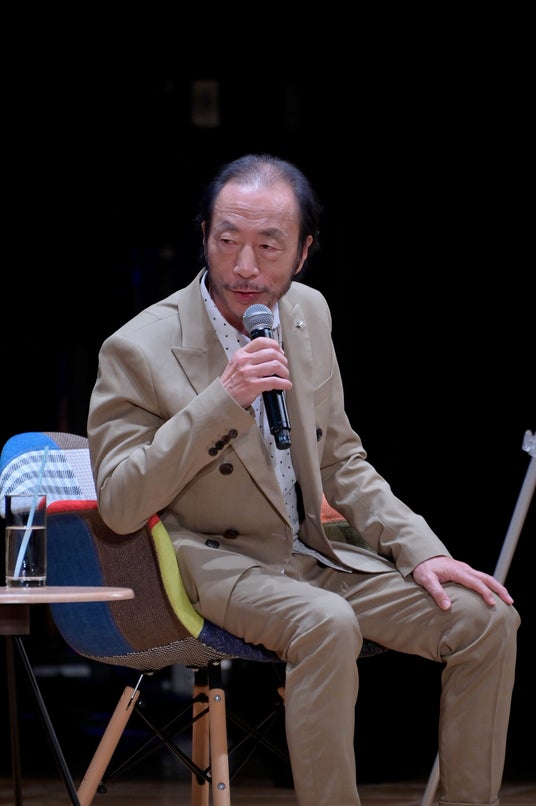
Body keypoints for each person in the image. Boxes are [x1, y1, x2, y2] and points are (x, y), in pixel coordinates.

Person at [87, 153, 520, 806]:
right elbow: (119, 504)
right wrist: (222, 401)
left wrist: (421, 550)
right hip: (218, 562)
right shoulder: (138, 347)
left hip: (313, 553)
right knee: (327, 623)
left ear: (304, 250)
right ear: (203, 235)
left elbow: (341, 460)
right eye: (227, 240)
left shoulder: (307, 313)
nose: (244, 267)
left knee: (486, 620)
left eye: (269, 246)